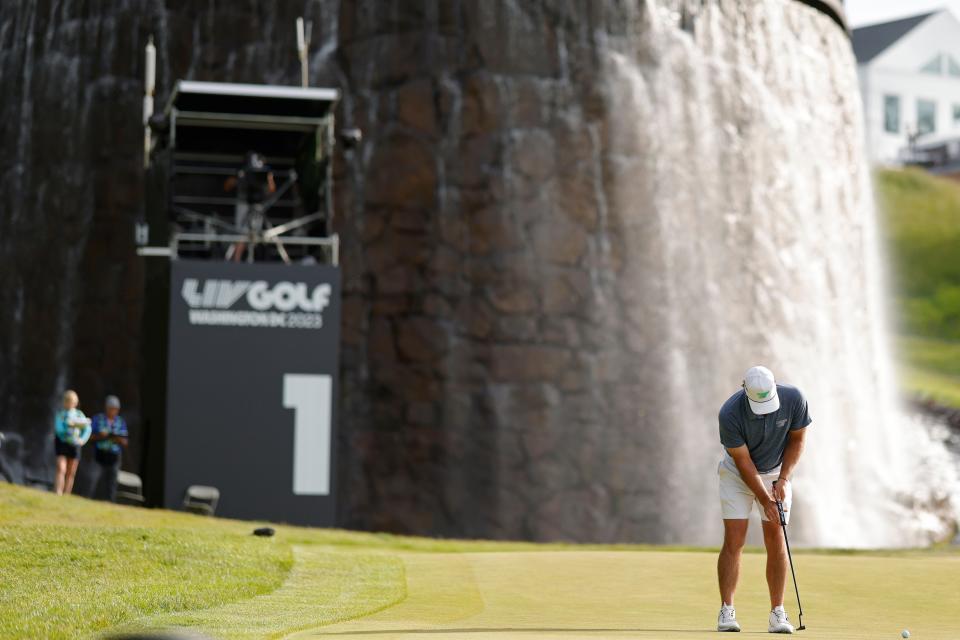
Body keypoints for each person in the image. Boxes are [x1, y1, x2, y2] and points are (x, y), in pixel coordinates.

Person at [716, 366, 811, 634]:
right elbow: (743, 462)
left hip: (775, 474)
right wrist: (765, 499)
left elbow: (798, 438)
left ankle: (777, 613)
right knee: (735, 539)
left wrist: (783, 479)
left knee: (776, 537)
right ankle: (726, 610)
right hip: (737, 476)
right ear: (744, 389)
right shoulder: (730, 413)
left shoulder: (794, 399)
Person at [88, 395, 129, 502]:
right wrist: (101, 436)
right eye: (111, 408)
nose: (113, 411)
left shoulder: (121, 422)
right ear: (106, 408)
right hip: (99, 454)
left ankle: (110, 502)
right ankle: (89, 499)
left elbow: (125, 442)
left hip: (114, 456)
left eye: (115, 409)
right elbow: (89, 437)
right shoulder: (97, 419)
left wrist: (116, 438)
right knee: (93, 478)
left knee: (112, 482)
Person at [53, 390, 92, 495]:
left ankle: (66, 493)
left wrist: (82, 440)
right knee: (61, 468)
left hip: (75, 445)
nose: (69, 403)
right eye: (67, 401)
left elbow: (87, 429)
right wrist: (68, 426)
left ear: (75, 402)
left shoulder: (79, 415)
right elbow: (58, 429)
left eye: (71, 401)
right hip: (62, 443)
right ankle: (58, 492)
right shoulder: (61, 414)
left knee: (71, 471)